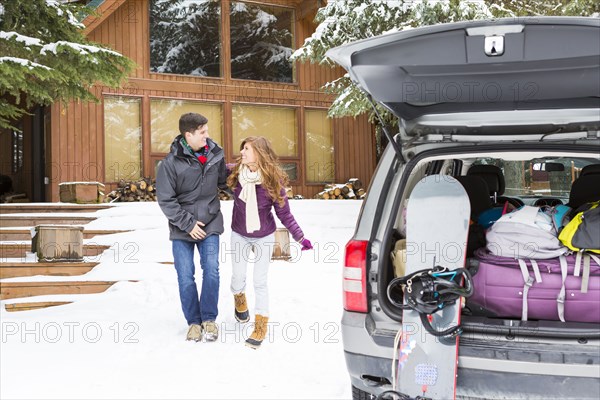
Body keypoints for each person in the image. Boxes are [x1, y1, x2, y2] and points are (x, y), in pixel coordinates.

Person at [227, 136, 313, 349]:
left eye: (247, 149)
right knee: (238, 276)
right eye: (243, 148)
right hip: (239, 233)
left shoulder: (272, 181)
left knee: (260, 281)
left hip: (264, 235)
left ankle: (260, 325)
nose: (242, 152)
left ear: (259, 153)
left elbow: (285, 214)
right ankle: (239, 297)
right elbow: (212, 161)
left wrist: (300, 236)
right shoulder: (236, 172)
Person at [156, 112, 228, 342]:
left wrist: (256, 187)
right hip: (181, 228)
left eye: (207, 131)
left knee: (212, 270)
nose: (208, 136)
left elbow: (225, 183)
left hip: (210, 222)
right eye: (202, 132)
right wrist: (188, 224)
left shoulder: (216, 155)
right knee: (185, 276)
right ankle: (194, 323)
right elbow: (166, 200)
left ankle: (209, 319)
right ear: (188, 135)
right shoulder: (169, 164)